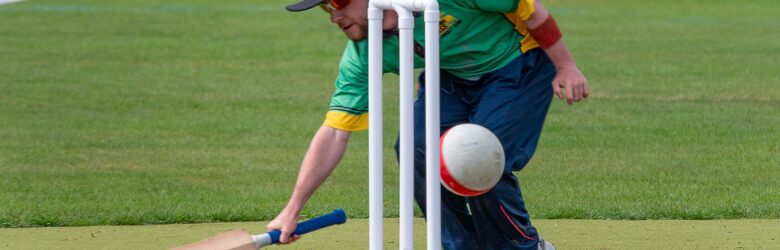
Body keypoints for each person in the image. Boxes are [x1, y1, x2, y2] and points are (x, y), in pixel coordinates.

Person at [268, 0, 589, 249]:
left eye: (337, 3)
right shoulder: (364, 50)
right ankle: (460, 246)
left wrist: (566, 66)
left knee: (479, 159)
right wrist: (292, 209)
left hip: (519, 63)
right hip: (451, 77)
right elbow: (335, 132)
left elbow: (527, 8)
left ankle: (519, 246)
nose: (333, 17)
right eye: (326, 8)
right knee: (415, 148)